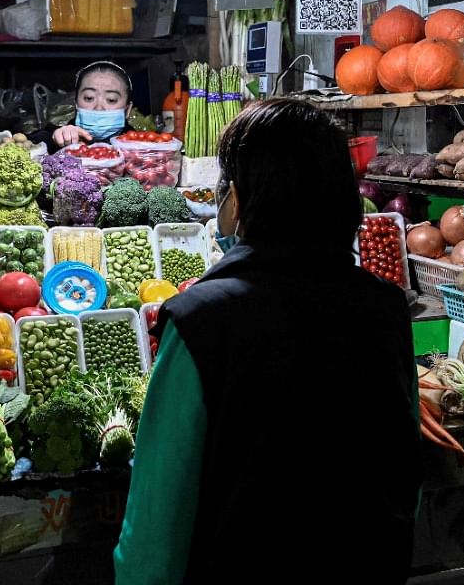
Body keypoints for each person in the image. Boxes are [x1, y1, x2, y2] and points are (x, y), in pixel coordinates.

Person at [113, 98, 423, 584]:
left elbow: (157, 518)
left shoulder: (201, 320)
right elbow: (403, 468)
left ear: (239, 198)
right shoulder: (385, 307)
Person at [43, 60, 134, 147]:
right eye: (89, 98)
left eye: (111, 100)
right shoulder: (54, 137)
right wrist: (56, 140)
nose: (98, 108)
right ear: (76, 105)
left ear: (127, 110)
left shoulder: (143, 148)